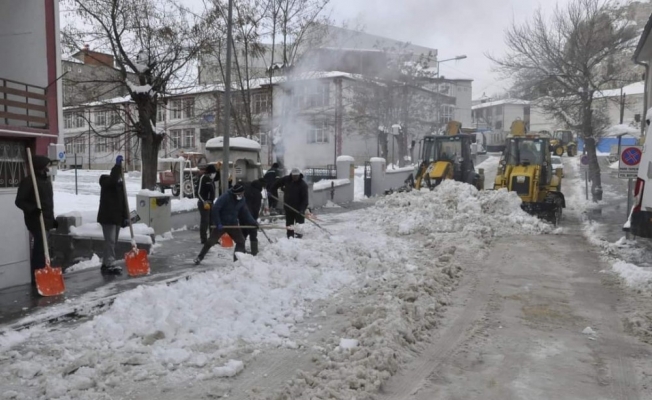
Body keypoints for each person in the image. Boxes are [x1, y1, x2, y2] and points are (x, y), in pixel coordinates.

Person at [15, 154, 56, 285]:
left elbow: (49, 203)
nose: (48, 168)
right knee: (40, 249)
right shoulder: (29, 181)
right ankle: (37, 277)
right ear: (40, 167)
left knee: (46, 249)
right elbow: (19, 201)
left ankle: (45, 272)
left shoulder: (46, 181)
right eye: (46, 166)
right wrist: (32, 209)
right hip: (35, 220)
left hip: (46, 220)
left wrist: (52, 219)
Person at [194, 182, 258, 264]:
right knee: (211, 241)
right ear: (235, 193)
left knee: (241, 241)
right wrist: (218, 223)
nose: (241, 195)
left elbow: (245, 213)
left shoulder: (242, 200)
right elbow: (215, 209)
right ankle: (200, 257)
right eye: (239, 194)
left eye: (242, 194)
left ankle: (237, 261)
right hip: (221, 224)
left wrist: (253, 222)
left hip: (233, 224)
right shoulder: (225, 197)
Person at [97, 155, 130, 274]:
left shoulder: (120, 187)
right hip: (107, 217)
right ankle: (110, 263)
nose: (120, 177)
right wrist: (117, 166)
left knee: (112, 242)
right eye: (118, 175)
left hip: (116, 218)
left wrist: (126, 217)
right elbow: (113, 180)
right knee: (110, 241)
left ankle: (106, 263)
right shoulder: (106, 182)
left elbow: (124, 203)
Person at [273, 168, 309, 239]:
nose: (295, 177)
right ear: (291, 175)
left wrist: (302, 209)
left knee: (299, 225)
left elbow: (305, 200)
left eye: (296, 176)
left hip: (299, 209)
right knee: (289, 224)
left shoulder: (303, 185)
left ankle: (298, 238)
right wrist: (272, 190)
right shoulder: (287, 179)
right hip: (288, 207)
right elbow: (276, 184)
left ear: (299, 175)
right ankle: (290, 237)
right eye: (294, 176)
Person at [197, 164, 218, 244]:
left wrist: (218, 170)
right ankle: (204, 239)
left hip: (211, 203)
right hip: (203, 204)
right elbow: (198, 192)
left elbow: (217, 178)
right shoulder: (203, 178)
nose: (214, 174)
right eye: (213, 173)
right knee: (205, 221)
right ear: (209, 173)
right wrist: (204, 202)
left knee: (212, 221)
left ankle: (212, 239)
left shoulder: (211, 179)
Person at [243, 179, 264, 255]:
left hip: (243, 214)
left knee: (243, 233)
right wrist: (254, 219)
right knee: (253, 232)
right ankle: (254, 251)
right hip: (251, 215)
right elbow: (256, 208)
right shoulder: (257, 194)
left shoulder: (246, 190)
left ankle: (241, 249)